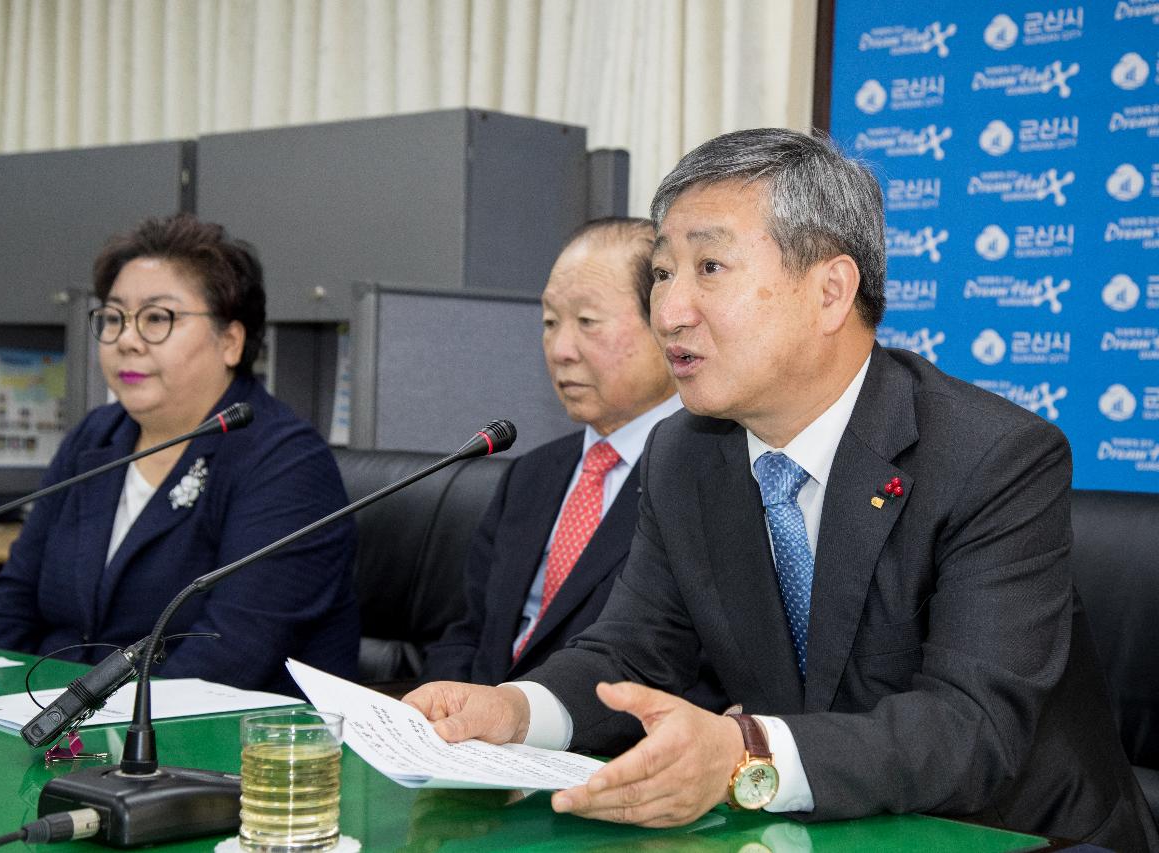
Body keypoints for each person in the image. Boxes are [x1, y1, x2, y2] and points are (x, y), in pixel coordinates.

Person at [406, 129, 1157, 849]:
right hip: (813, 829)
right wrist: (512, 710)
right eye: (662, 272)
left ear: (830, 290)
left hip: (1015, 835)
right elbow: (633, 654)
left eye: (710, 268)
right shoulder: (686, 453)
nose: (669, 311)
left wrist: (743, 750)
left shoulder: (993, 457)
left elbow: (971, 727)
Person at [0, 214, 359, 695]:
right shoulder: (94, 439)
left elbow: (230, 655)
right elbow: (11, 605)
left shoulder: (285, 463)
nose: (127, 341)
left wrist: (77, 716)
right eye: (114, 318)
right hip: (57, 729)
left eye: (157, 318)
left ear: (230, 341)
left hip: (211, 748)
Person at [421, 218, 683, 690]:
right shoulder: (532, 474)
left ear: (665, 324)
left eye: (587, 322)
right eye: (549, 322)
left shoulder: (707, 474)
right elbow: (467, 632)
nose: (561, 349)